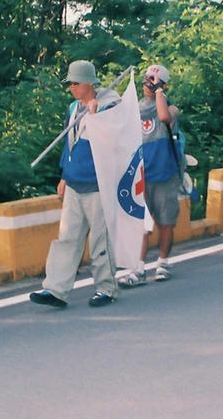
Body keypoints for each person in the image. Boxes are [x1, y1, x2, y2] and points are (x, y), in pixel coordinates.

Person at [30, 60, 122, 309]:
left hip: (97, 183)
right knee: (67, 237)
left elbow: (113, 140)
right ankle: (56, 289)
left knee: (100, 240)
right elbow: (69, 143)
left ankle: (106, 288)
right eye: (69, 83)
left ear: (88, 84)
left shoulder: (110, 105)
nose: (70, 87)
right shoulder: (73, 107)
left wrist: (96, 117)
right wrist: (64, 175)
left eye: (74, 83)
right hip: (74, 182)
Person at [118, 65, 182, 287]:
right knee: (141, 225)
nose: (148, 83)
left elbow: (164, 116)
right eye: (146, 79)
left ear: (163, 84)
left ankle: (163, 262)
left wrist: (159, 93)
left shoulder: (171, 108)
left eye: (154, 80)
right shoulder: (135, 108)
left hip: (165, 173)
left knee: (165, 222)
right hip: (142, 176)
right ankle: (138, 268)